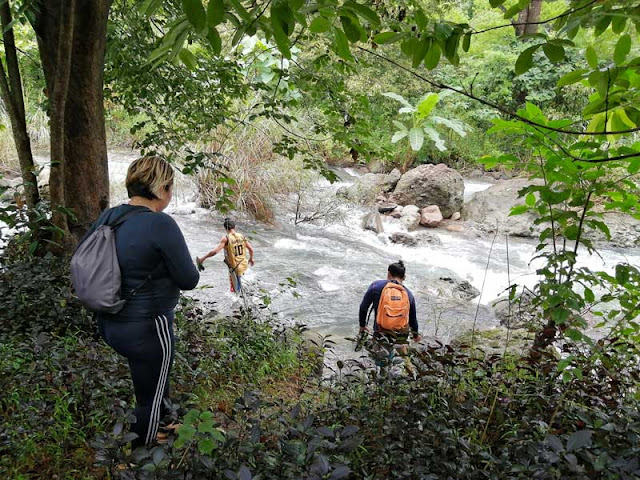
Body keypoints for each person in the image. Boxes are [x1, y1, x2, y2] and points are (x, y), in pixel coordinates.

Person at [89, 156, 199, 449]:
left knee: (151, 383)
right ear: (163, 188)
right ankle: (142, 457)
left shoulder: (109, 216)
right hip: (148, 328)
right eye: (170, 188)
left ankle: (165, 423)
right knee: (148, 399)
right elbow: (188, 280)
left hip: (110, 322)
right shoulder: (160, 223)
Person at [358, 260, 421, 353]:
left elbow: (363, 308)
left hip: (381, 331)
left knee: (381, 359)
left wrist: (362, 326)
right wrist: (416, 336)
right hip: (401, 334)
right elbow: (413, 319)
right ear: (404, 277)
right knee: (403, 357)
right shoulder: (408, 294)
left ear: (388, 273)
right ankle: (408, 365)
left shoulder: (376, 286)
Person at [196, 218, 254, 293]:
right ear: (234, 227)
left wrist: (202, 259)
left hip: (234, 267)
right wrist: (251, 259)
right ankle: (242, 291)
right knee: (240, 281)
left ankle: (239, 296)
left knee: (236, 289)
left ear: (225, 228)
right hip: (244, 265)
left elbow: (215, 252)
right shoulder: (241, 236)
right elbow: (251, 249)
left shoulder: (226, 238)